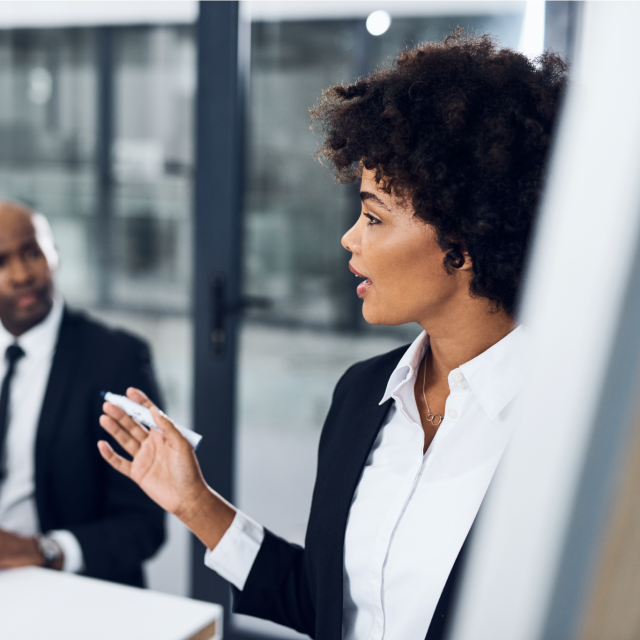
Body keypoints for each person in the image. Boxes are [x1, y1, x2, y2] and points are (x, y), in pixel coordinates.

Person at [98, 32, 568, 638]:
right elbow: (324, 604)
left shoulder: (561, 428)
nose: (350, 237)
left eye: (373, 217)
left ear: (464, 242)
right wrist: (195, 501)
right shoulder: (363, 395)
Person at [0, 201, 165, 587]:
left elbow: (143, 524)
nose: (22, 274)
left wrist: (46, 551)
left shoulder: (117, 359)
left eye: (32, 253)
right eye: (1, 261)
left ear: (54, 255)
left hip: (68, 586)